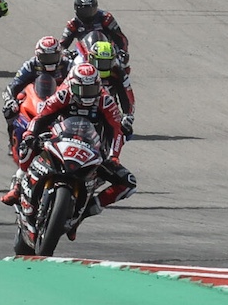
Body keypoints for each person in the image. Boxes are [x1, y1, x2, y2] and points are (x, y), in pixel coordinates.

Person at [9, 59, 135, 212]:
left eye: (90, 89)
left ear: (98, 87)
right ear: (72, 86)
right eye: (81, 89)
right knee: (27, 146)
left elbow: (117, 131)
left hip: (92, 149)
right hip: (59, 139)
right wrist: (30, 135)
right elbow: (41, 116)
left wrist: (114, 156)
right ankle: (18, 184)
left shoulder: (106, 101)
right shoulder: (63, 94)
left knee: (128, 183)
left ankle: (89, 208)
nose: (85, 95)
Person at [1, 34, 69, 152]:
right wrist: (10, 100)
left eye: (53, 57)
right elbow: (14, 85)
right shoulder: (30, 65)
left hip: (60, 97)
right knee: (9, 110)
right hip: (35, 96)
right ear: (38, 56)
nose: (50, 61)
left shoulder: (67, 64)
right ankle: (12, 139)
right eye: (46, 58)